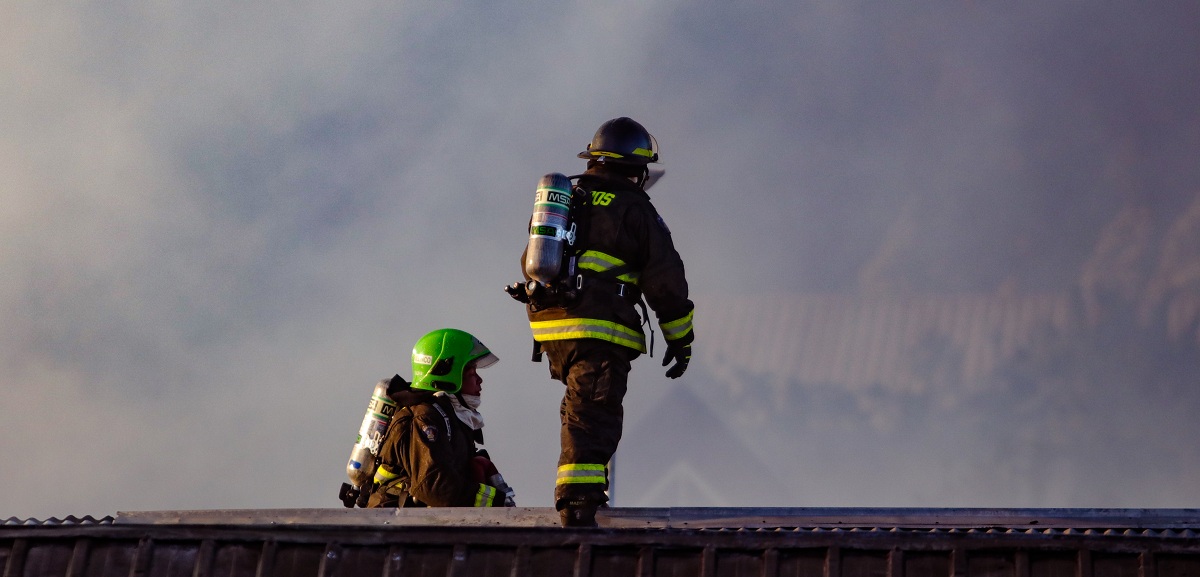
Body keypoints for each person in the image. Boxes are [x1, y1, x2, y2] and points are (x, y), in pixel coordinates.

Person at [514, 117, 695, 527]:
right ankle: (579, 500)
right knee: (595, 410)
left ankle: (582, 492)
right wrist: (680, 339)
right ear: (635, 167)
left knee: (581, 405)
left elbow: (529, 261)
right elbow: (666, 280)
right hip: (600, 325)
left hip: (552, 324)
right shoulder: (635, 208)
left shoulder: (567, 200)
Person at [367, 328, 516, 508]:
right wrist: (496, 501)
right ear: (447, 374)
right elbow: (435, 488)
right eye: (471, 373)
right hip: (398, 525)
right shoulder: (426, 417)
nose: (479, 380)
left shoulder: (450, 417)